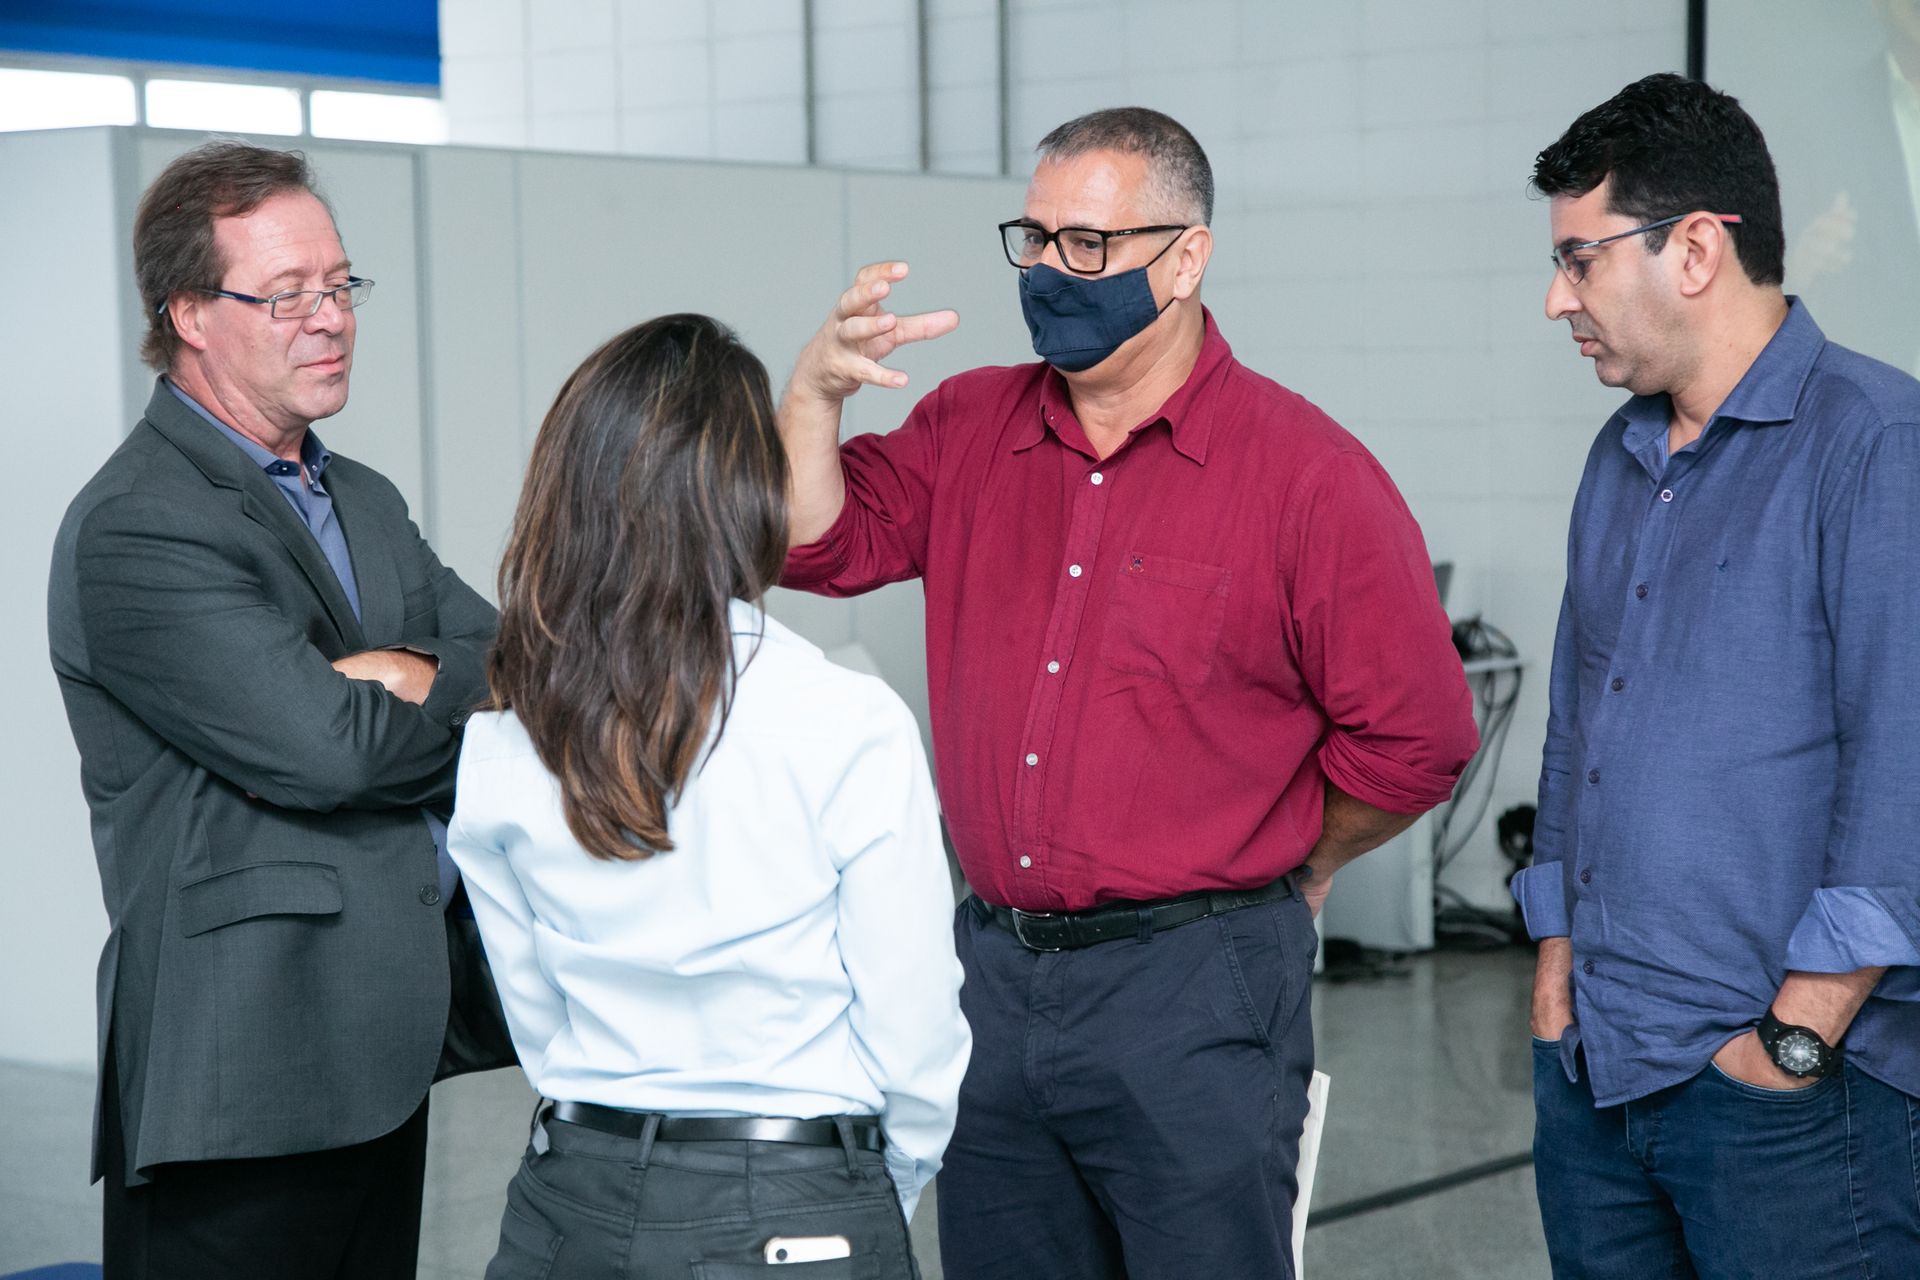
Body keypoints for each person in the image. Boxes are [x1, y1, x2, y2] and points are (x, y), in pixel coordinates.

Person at [777, 107, 1478, 1278]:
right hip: (993, 979)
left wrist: (1299, 859)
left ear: (1187, 256)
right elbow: (817, 548)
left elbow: (1418, 740)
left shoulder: (1308, 477)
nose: (1051, 272)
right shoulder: (969, 427)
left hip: (1195, 988)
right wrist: (811, 400)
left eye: (1088, 246)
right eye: (1035, 238)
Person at [46, 139, 513, 1278]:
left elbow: (515, 660)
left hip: (384, 1046)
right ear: (190, 314)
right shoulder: (138, 522)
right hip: (242, 1069)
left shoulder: (359, 493)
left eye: (341, 284)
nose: (332, 318)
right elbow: (329, 752)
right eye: (288, 292)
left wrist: (399, 671)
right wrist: (402, 691)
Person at [448, 314, 968, 1280]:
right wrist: (877, 1189)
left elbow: (536, 1013)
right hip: (792, 1193)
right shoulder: (845, 717)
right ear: (750, 491)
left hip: (570, 1199)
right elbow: (914, 1025)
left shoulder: (505, 736)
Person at [1517, 72, 1920, 1277]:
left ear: (1694, 248)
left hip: (1793, 1103)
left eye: (1579, 260)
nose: (1556, 298)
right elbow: (1577, 719)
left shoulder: (1878, 443)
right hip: (1598, 1066)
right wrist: (1555, 970)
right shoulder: (1622, 450)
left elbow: (1906, 766)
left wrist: (1792, 1040)